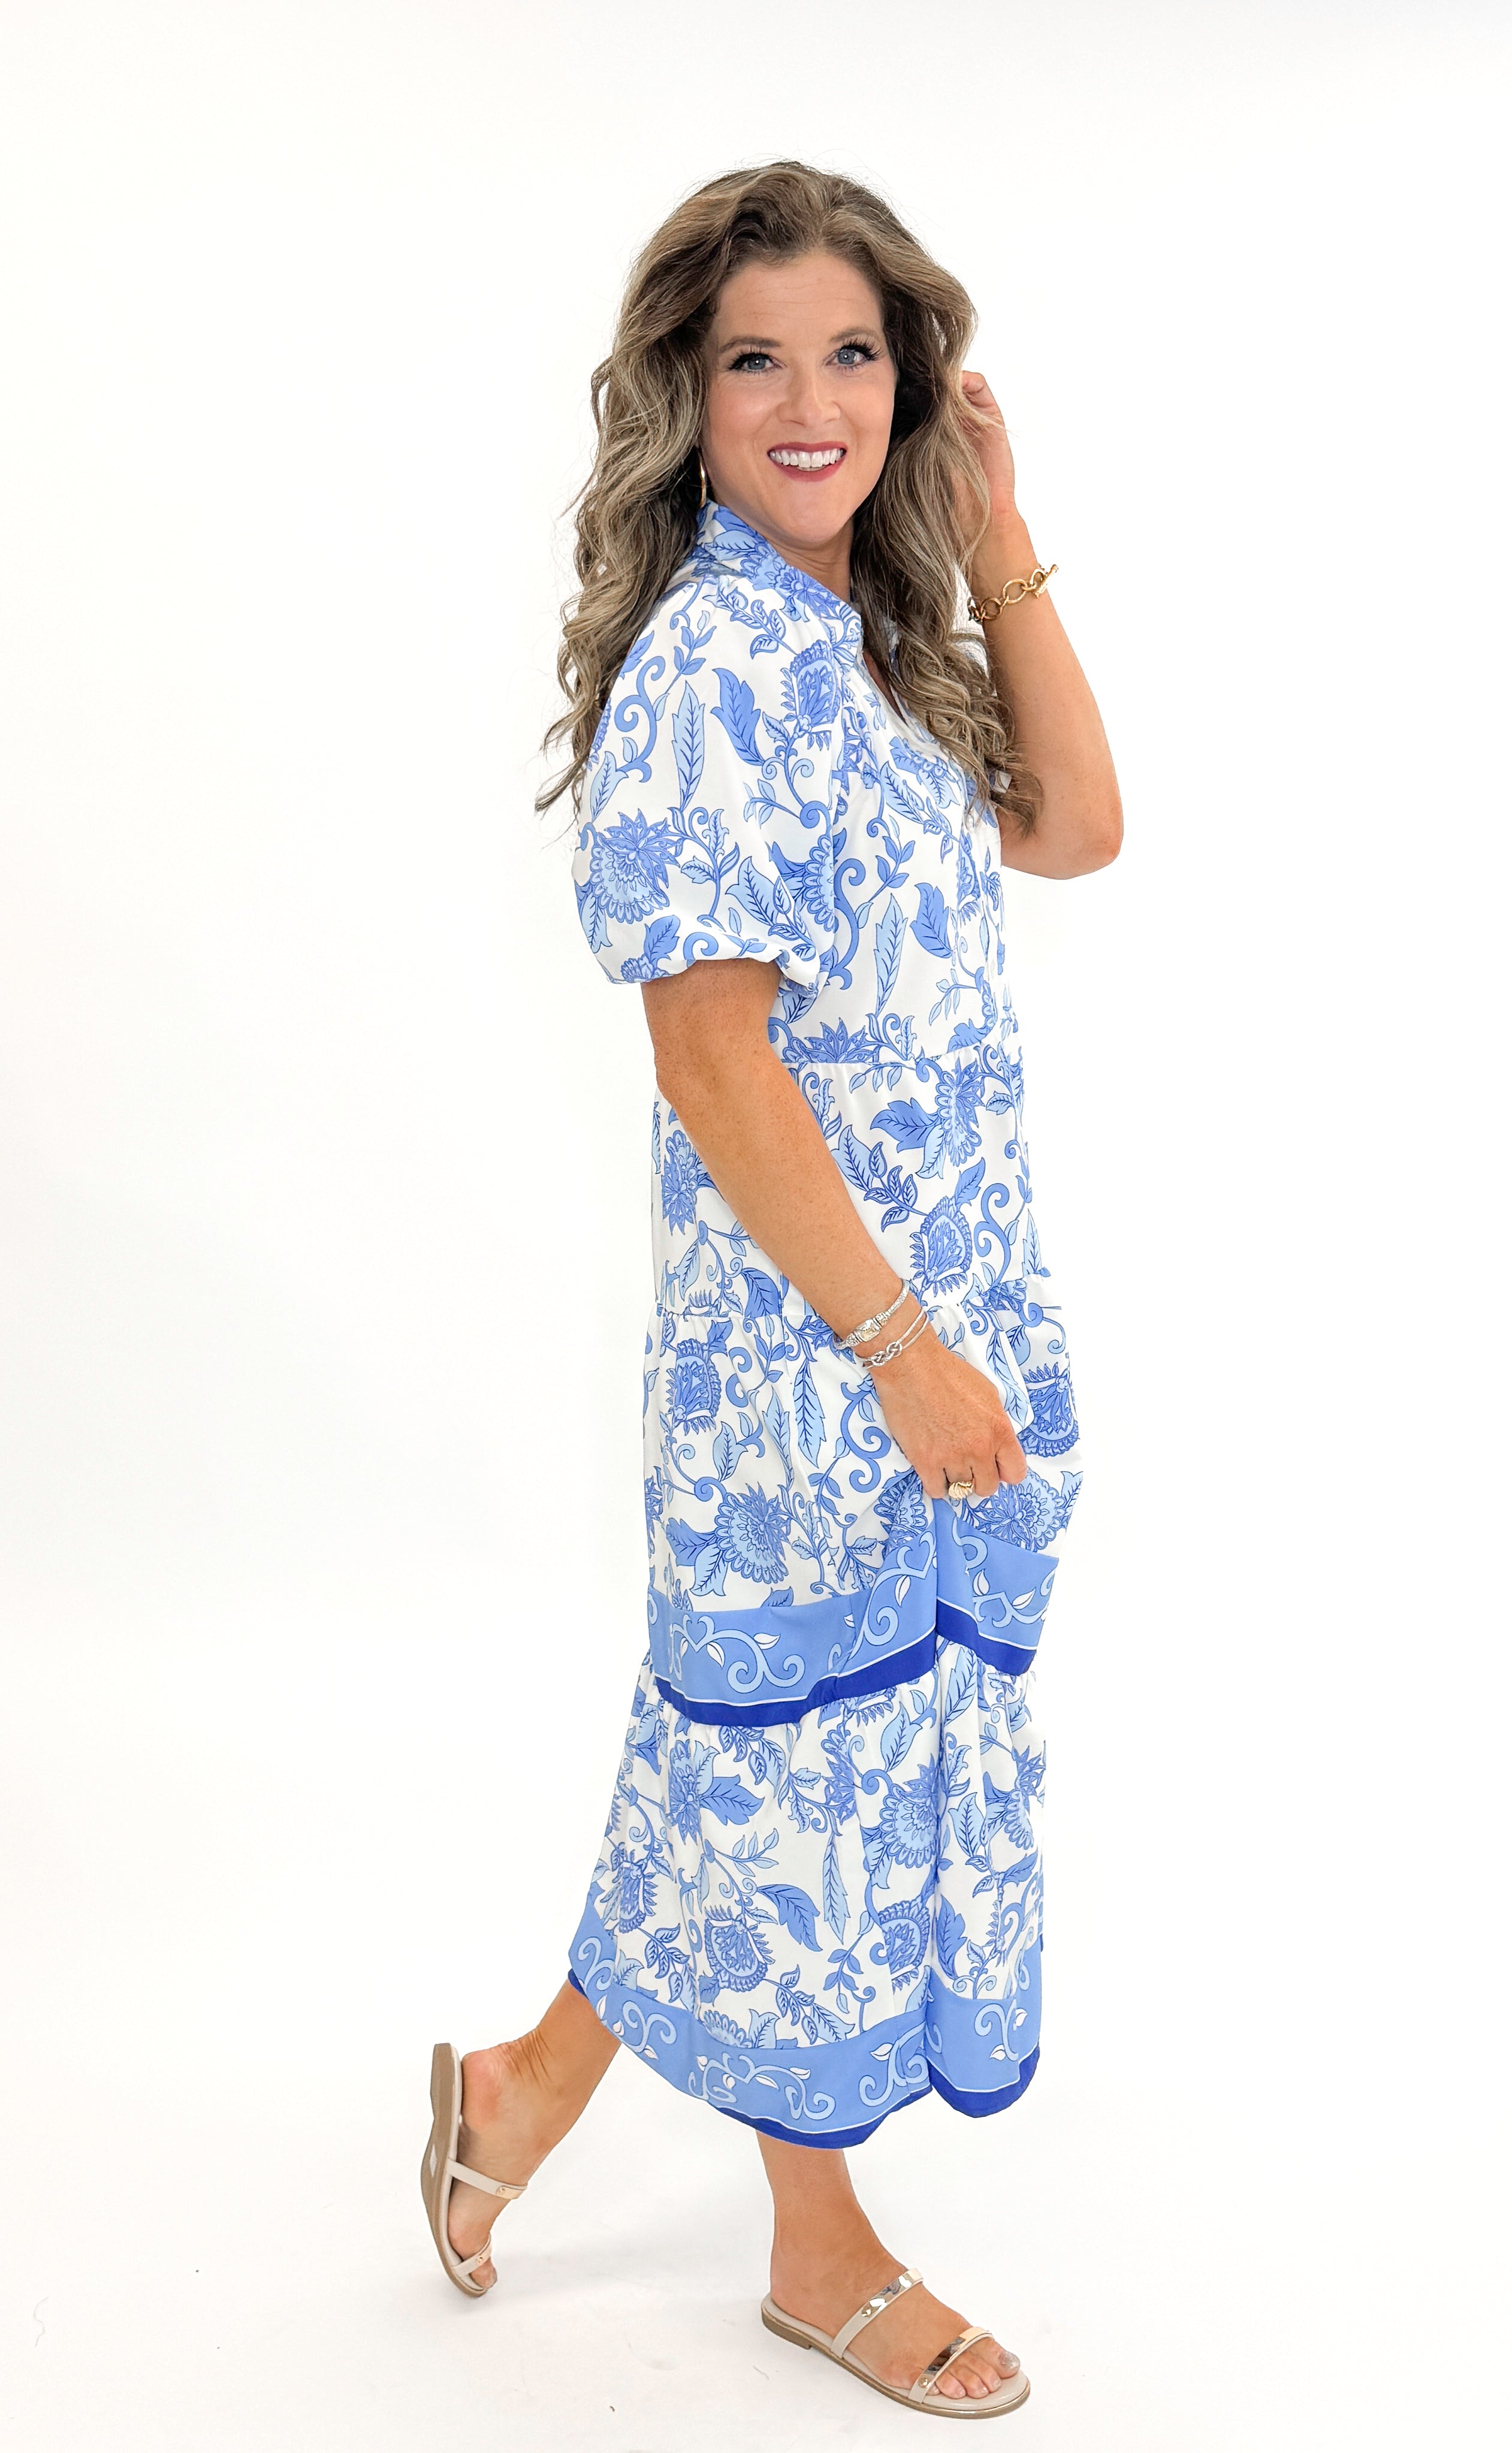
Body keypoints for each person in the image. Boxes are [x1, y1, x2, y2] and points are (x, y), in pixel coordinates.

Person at [420, 159, 1121, 2417]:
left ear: (904, 379)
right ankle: (818, 2253)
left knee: (756, 1758)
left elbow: (1082, 822)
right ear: (687, 401)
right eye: (756, 360)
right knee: (799, 1788)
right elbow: (708, 1047)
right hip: (817, 1357)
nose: (809, 400)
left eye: (853, 353)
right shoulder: (716, 666)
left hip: (929, 1324)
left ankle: (520, 2092)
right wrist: (897, 1353)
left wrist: (992, 516)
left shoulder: (850, 646)